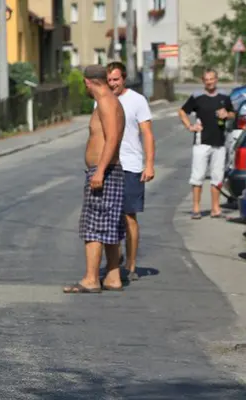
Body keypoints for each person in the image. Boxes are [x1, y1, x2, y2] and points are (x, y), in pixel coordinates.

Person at [64, 65, 126, 294]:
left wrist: (99, 171)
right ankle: (112, 277)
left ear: (89, 82)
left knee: (93, 227)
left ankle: (91, 279)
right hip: (108, 171)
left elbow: (111, 140)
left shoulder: (107, 102)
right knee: (109, 226)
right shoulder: (110, 101)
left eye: (85, 84)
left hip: (105, 172)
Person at [106, 61, 155, 282]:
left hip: (131, 165)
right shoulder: (102, 101)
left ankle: (131, 264)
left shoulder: (137, 100)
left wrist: (150, 164)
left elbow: (147, 133)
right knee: (109, 217)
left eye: (115, 79)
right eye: (108, 80)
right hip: (108, 166)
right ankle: (113, 263)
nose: (112, 84)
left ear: (123, 79)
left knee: (128, 217)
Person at [177, 69, 235, 219]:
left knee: (217, 176)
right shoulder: (197, 97)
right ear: (203, 81)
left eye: (212, 79)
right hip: (201, 142)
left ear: (216, 79)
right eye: (206, 79)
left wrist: (226, 114)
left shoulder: (224, 97)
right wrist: (190, 126)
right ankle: (196, 208)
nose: (210, 82)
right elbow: (182, 111)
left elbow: (233, 113)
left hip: (219, 142)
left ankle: (215, 208)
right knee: (198, 176)